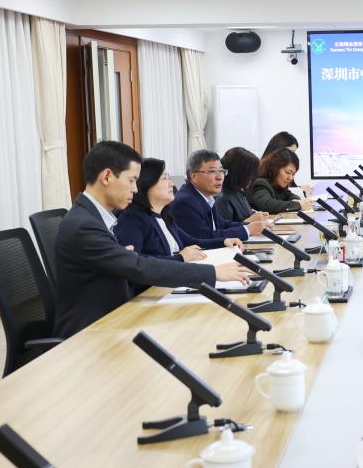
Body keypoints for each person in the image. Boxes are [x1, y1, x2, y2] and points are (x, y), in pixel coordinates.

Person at [53, 142, 253, 339]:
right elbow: (139, 267)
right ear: (107, 177)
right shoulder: (84, 225)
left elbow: (128, 264)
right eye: (131, 180)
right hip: (91, 332)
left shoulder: (96, 218)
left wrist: (123, 257)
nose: (135, 189)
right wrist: (213, 272)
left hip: (116, 318)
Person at [115, 158, 244, 263]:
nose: (171, 184)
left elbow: (191, 241)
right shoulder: (132, 220)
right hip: (155, 286)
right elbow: (136, 261)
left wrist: (224, 242)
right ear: (146, 183)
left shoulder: (164, 215)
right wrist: (181, 258)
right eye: (165, 178)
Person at [169, 149, 268, 240]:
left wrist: (254, 226)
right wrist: (247, 230)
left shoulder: (205, 196)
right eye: (212, 171)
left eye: (221, 171)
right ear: (193, 176)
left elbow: (222, 225)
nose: (219, 177)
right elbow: (205, 236)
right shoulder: (185, 202)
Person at [250, 148, 314, 214]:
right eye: (288, 172)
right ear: (275, 168)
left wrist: (297, 201)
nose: (290, 178)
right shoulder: (261, 183)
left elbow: (290, 195)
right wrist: (298, 205)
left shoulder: (277, 185)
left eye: (293, 174)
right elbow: (266, 205)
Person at [216, 147, 268, 223]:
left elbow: (243, 215)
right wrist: (249, 221)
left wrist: (254, 214)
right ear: (240, 172)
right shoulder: (222, 198)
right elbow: (224, 229)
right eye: (250, 173)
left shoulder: (237, 191)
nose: (253, 178)